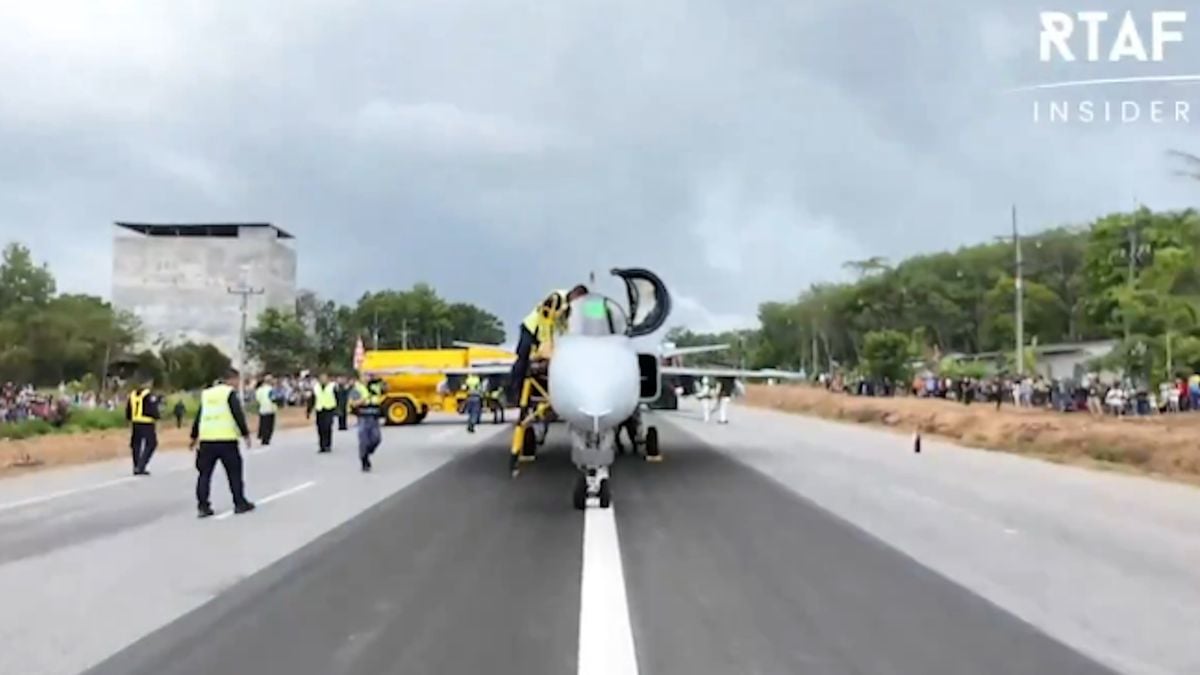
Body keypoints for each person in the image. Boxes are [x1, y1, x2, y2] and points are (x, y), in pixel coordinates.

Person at [189, 368, 255, 518]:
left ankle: (203, 506)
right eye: (237, 380)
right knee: (234, 473)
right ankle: (239, 503)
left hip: (207, 440)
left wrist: (194, 437)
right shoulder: (229, 393)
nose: (238, 383)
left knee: (204, 474)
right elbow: (237, 414)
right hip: (226, 440)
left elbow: (199, 416)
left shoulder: (206, 394)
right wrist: (245, 434)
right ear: (231, 379)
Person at [508, 285, 589, 400]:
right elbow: (545, 319)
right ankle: (514, 394)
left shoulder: (569, 306)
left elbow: (562, 324)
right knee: (523, 359)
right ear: (575, 294)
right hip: (531, 328)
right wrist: (547, 343)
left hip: (543, 334)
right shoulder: (557, 297)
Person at [350, 373, 385, 471]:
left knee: (377, 438)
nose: (367, 378)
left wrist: (381, 380)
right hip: (363, 417)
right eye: (364, 376)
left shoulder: (375, 386)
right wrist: (364, 399)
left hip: (374, 416)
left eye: (369, 376)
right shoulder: (357, 388)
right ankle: (364, 460)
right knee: (364, 440)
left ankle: (368, 451)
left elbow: (386, 389)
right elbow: (353, 403)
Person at [124, 378, 159, 476]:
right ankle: (141, 465)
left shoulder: (133, 395)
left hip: (135, 422)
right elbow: (153, 409)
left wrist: (129, 419)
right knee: (151, 444)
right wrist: (157, 416)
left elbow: (128, 410)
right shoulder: (149, 395)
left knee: (136, 444)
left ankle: (136, 465)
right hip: (147, 423)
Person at [312, 372, 338, 453]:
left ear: (327, 379)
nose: (323, 380)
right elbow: (312, 399)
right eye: (321, 378)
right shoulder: (316, 387)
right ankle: (322, 446)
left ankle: (328, 445)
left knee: (327, 427)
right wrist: (309, 411)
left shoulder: (332, 387)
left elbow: (337, 397)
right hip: (319, 409)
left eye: (324, 378)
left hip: (329, 409)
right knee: (320, 428)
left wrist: (338, 409)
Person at [255, 375, 278, 446]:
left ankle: (262, 436)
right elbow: (273, 398)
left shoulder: (259, 390)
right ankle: (266, 439)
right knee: (269, 425)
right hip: (270, 408)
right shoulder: (271, 389)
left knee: (263, 424)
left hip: (262, 408)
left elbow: (257, 399)